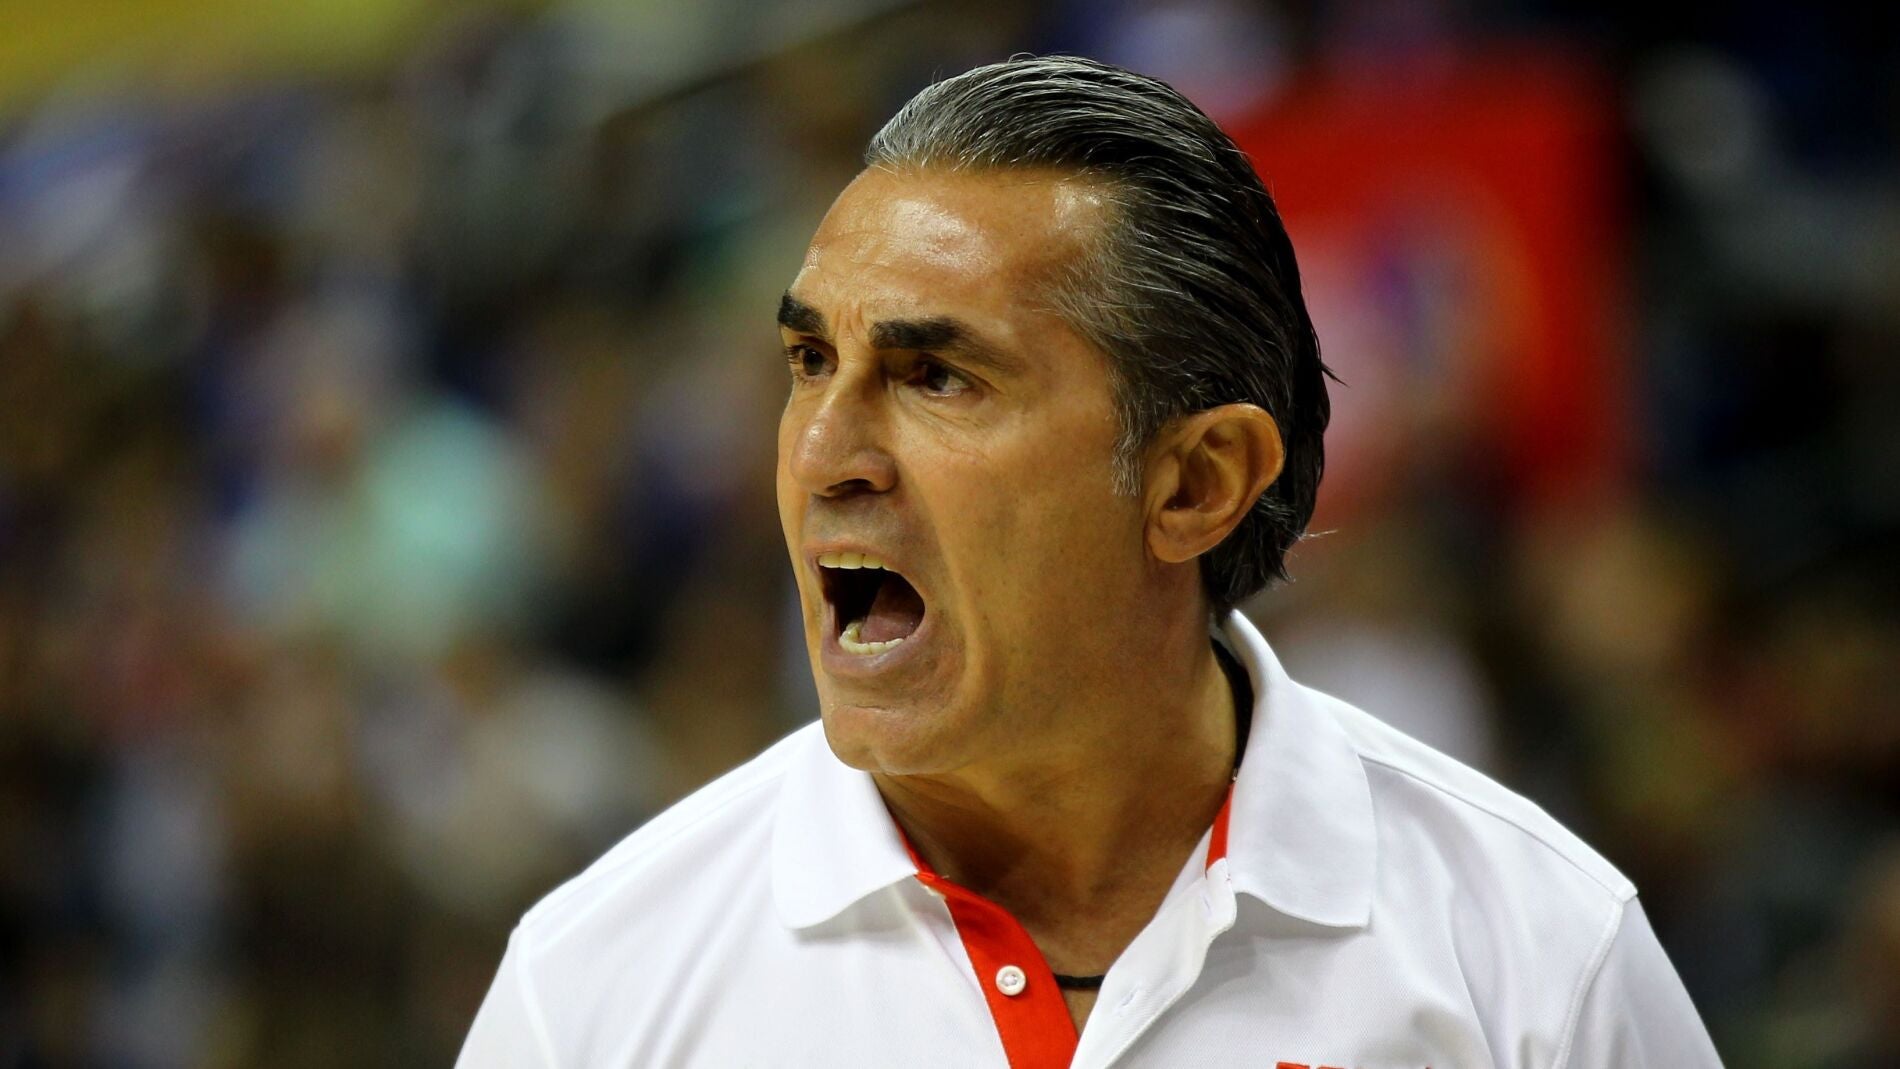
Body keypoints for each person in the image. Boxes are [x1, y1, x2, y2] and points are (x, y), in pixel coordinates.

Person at [456, 55, 1723, 1068]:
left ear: (1194, 482)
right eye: (807, 365)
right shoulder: (595, 992)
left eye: (935, 375)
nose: (822, 453)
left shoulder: (1540, 959)